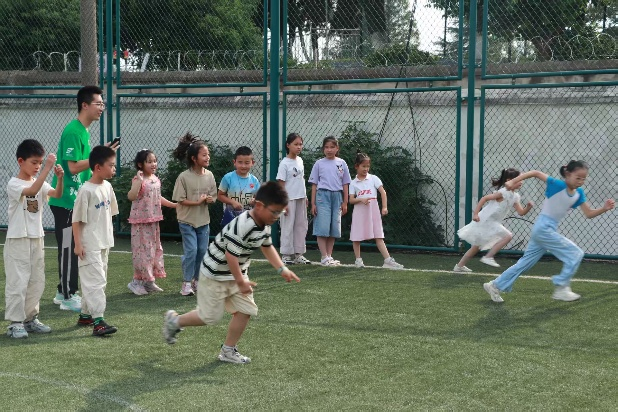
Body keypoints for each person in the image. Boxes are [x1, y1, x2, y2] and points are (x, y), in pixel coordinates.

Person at [162, 181, 301, 364]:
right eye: (275, 212)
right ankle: (174, 321)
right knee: (209, 317)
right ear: (260, 206)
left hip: (237, 274)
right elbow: (230, 255)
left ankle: (228, 350)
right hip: (215, 274)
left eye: (280, 212)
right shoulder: (243, 225)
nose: (277, 216)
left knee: (245, 310)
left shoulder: (264, 223)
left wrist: (282, 268)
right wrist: (241, 281)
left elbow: (267, 246)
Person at [483, 161, 615, 303]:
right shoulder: (557, 185)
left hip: (545, 230)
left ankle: (495, 285)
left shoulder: (579, 193)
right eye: (578, 178)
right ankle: (561, 287)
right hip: (543, 228)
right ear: (567, 174)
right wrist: (513, 181)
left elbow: (588, 213)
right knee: (576, 253)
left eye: (584, 179)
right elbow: (535, 173)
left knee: (524, 264)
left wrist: (604, 208)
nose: (581, 181)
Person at [49, 85, 119, 312]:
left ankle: (63, 291)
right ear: (85, 105)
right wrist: (97, 158)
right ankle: (67, 295)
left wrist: (99, 153)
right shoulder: (73, 131)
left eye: (103, 104)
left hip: (75, 201)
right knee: (68, 248)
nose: (102, 108)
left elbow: (84, 165)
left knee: (74, 247)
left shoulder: (83, 131)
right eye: (98, 103)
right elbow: (71, 167)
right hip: (65, 201)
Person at [5, 140, 64, 339]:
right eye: (34, 162)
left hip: (36, 237)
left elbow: (56, 194)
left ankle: (30, 319)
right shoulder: (14, 184)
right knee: (18, 280)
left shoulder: (40, 182)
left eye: (40, 162)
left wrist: (59, 179)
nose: (38, 166)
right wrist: (47, 168)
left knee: (36, 280)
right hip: (18, 238)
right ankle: (15, 323)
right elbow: (31, 191)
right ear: (20, 161)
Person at [72, 145, 119, 336]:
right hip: (89, 244)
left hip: (103, 242)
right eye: (111, 165)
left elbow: (110, 213)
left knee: (97, 280)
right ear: (98, 167)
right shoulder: (86, 190)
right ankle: (98, 322)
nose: (114, 168)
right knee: (96, 282)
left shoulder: (107, 187)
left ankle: (85, 315)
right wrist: (78, 244)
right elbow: (76, 220)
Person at [453, 168, 533, 272]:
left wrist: (528, 207)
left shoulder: (515, 196)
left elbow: (521, 212)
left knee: (476, 247)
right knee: (508, 236)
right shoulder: (503, 192)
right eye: (519, 179)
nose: (521, 181)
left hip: (493, 222)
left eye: (522, 179)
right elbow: (484, 198)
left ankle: (459, 266)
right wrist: (475, 214)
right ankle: (488, 256)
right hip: (487, 220)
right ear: (509, 180)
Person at [172, 133, 217, 296]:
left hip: (203, 221)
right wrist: (198, 202)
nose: (207, 157)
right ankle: (186, 283)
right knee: (191, 251)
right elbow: (180, 200)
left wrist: (210, 199)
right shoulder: (183, 177)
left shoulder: (209, 175)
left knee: (202, 251)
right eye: (204, 155)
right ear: (194, 158)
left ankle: (197, 281)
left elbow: (213, 196)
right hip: (187, 221)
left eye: (208, 154)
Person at [127, 149, 177, 295]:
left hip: (153, 220)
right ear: (140, 164)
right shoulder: (138, 179)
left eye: (154, 161)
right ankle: (136, 282)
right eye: (149, 162)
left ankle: (149, 282)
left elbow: (157, 197)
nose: (153, 164)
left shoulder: (155, 179)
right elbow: (131, 196)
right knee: (142, 251)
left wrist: (174, 205)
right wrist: (139, 181)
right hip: (140, 222)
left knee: (153, 250)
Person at [349, 152, 404, 269]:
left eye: (368, 166)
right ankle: (358, 260)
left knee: (378, 235)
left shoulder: (374, 178)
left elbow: (383, 192)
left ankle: (387, 261)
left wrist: (384, 207)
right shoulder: (353, 183)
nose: (366, 169)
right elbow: (351, 200)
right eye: (363, 166)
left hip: (373, 210)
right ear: (357, 166)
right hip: (359, 212)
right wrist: (361, 199)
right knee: (356, 236)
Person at [308, 136, 352, 266]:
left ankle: (329, 256)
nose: (329, 150)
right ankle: (324, 256)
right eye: (326, 147)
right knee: (323, 226)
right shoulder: (319, 163)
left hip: (337, 197)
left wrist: (345, 202)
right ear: (323, 149)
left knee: (334, 228)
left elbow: (345, 184)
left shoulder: (342, 163)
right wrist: (313, 203)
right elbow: (314, 184)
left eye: (332, 147)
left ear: (337, 148)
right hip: (322, 196)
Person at [276, 133, 310, 265]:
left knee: (301, 225)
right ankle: (286, 255)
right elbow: (281, 183)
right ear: (288, 145)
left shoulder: (300, 160)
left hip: (300, 198)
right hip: (289, 199)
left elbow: (301, 180)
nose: (299, 147)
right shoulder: (284, 163)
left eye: (300, 144)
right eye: (296, 144)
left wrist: (305, 196)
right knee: (287, 226)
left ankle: (298, 254)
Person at [218, 146, 261, 227]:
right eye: (240, 162)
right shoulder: (228, 178)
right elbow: (220, 196)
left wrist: (254, 201)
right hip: (230, 218)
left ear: (252, 163)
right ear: (234, 162)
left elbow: (258, 198)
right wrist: (232, 202)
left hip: (248, 219)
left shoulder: (254, 180)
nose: (243, 166)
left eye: (247, 163)